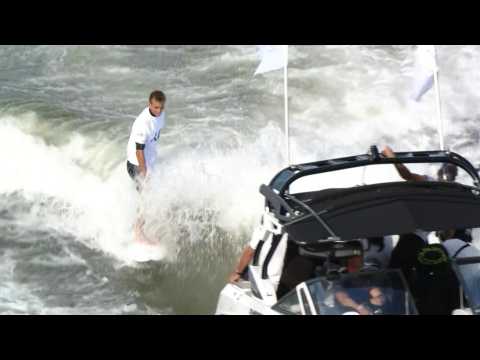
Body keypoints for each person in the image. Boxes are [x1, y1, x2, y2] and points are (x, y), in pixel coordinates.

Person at [126, 90, 166, 243]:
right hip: (137, 164)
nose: (159, 111)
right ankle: (137, 232)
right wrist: (144, 174)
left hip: (149, 162)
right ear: (149, 104)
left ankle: (143, 227)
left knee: (151, 194)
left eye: (161, 107)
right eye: (156, 107)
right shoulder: (143, 124)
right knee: (146, 197)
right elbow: (138, 152)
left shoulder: (161, 115)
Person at [381, 145, 458, 182]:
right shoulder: (430, 182)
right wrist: (391, 156)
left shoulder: (460, 191)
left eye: (452, 171)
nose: (449, 175)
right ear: (439, 173)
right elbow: (406, 175)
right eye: (448, 170)